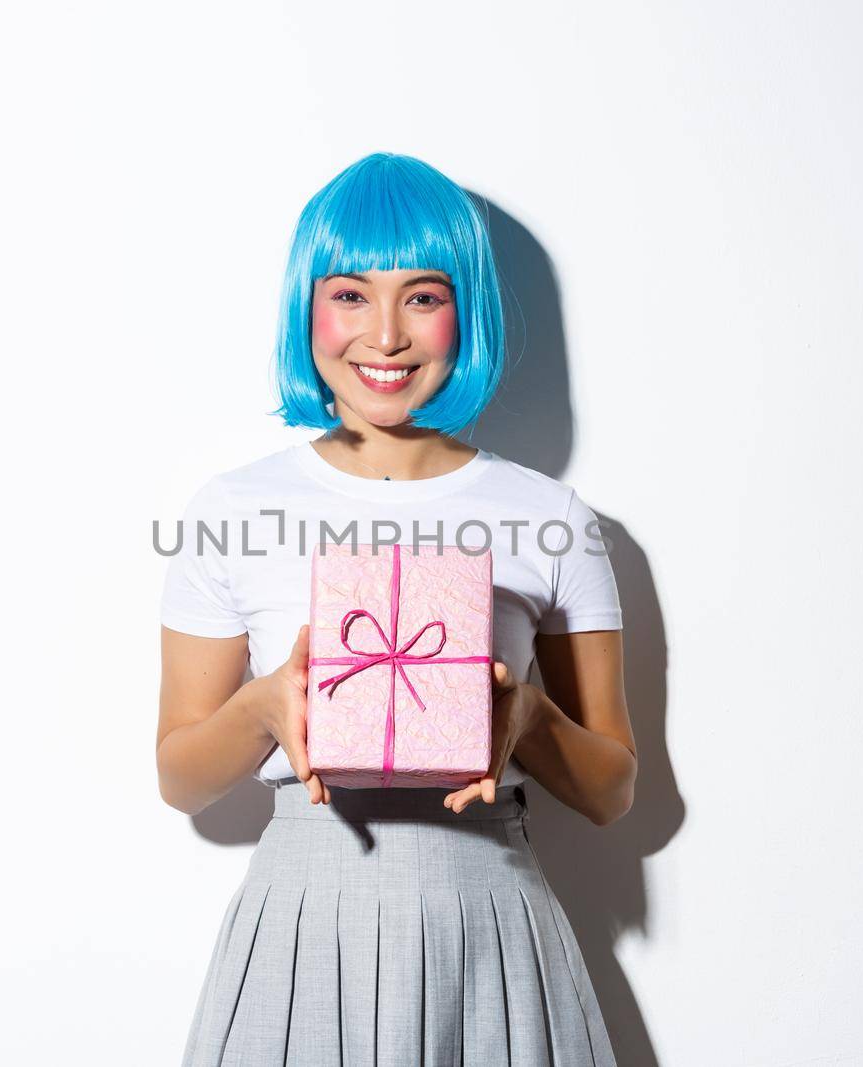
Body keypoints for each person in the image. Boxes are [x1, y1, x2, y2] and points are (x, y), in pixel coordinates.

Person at [157, 152, 636, 1065]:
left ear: (468, 311)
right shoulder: (231, 511)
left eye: (422, 295)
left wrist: (527, 715)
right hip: (303, 916)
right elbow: (179, 775)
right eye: (349, 295)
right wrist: (264, 707)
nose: (385, 335)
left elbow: (613, 789)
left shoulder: (550, 518)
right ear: (308, 308)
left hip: (490, 912)